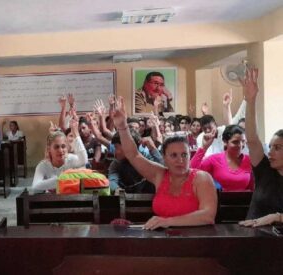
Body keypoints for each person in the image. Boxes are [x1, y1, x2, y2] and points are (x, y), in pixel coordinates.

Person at [111, 95, 217, 230]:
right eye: (174, 155)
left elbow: (208, 215)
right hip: (163, 240)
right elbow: (133, 155)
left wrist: (168, 221)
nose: (180, 160)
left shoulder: (202, 178)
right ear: (164, 158)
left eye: (184, 155)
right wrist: (122, 127)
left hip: (196, 241)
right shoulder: (160, 174)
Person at [238, 68, 283, 227]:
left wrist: (277, 217)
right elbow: (252, 140)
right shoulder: (264, 169)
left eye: (277, 148)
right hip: (254, 238)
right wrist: (250, 101)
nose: (270, 152)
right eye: (270, 146)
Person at [191, 125, 253, 191]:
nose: (240, 145)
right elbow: (192, 171)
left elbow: (252, 187)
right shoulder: (214, 159)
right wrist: (204, 147)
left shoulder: (249, 160)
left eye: (243, 141)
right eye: (235, 142)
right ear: (225, 142)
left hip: (245, 200)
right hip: (219, 200)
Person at [32, 118, 87, 191]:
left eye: (63, 146)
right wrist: (63, 178)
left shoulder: (70, 159)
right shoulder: (43, 166)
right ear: (49, 149)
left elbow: (84, 160)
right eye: (56, 147)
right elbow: (35, 187)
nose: (60, 150)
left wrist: (76, 134)